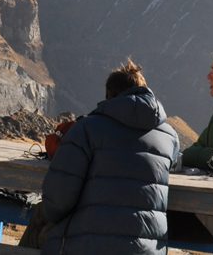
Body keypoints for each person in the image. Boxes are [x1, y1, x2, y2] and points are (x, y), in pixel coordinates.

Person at [38, 60, 180, 254]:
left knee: (40, 225)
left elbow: (57, 202)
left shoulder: (87, 129)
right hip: (147, 250)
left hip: (87, 247)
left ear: (109, 96)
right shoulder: (170, 136)